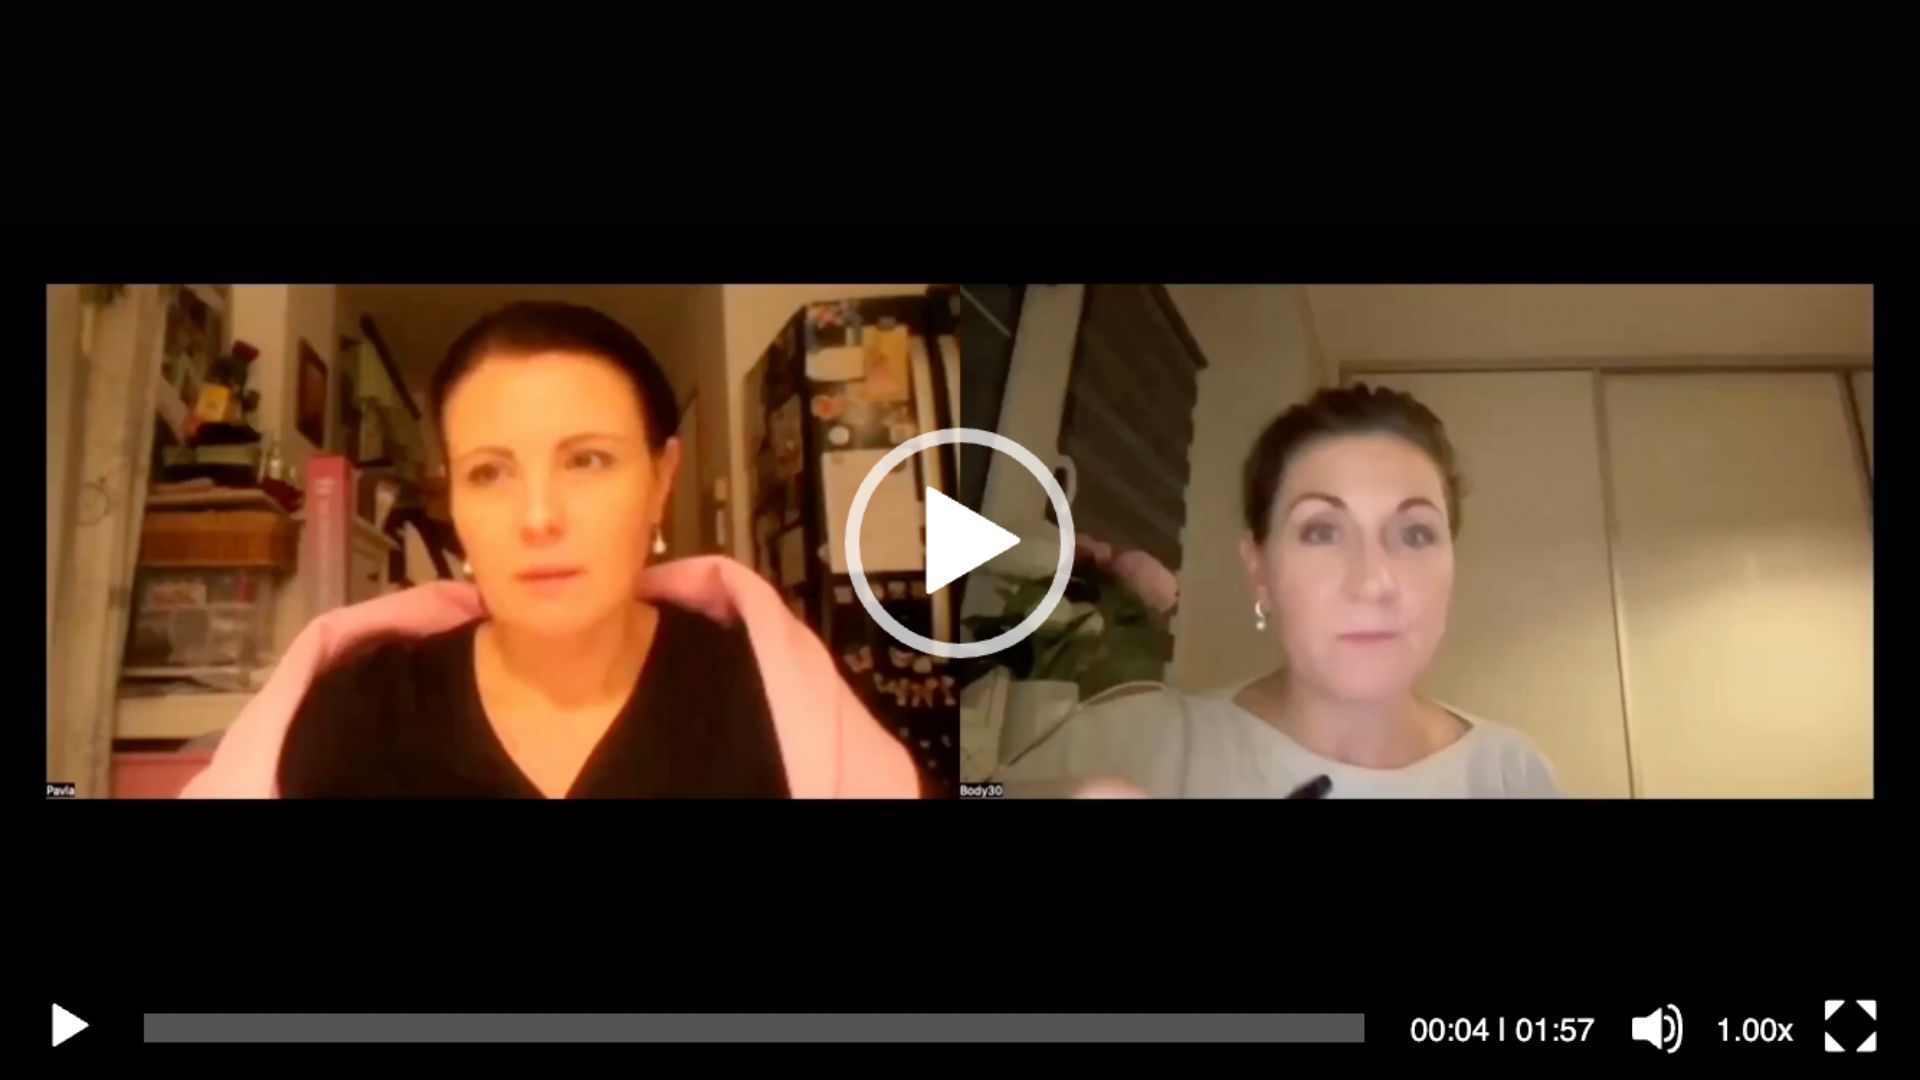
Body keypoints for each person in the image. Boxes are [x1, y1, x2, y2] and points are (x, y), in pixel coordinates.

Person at [182, 301, 918, 798]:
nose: (538, 517)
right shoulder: (351, 718)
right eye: (489, 472)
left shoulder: (773, 706)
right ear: (452, 498)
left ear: (661, 480)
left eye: (587, 460)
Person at [996, 383, 1558, 798]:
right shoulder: (1133, 743)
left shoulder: (1511, 773)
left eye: (1415, 534)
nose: (1374, 581)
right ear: (1260, 570)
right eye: (1322, 532)